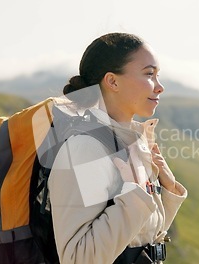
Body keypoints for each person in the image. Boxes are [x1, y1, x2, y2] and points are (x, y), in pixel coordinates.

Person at [48, 32, 187, 264]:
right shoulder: (85, 149)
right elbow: (77, 259)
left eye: (158, 75)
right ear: (112, 81)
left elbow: (137, 237)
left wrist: (168, 191)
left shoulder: (133, 142)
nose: (160, 86)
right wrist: (135, 198)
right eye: (149, 74)